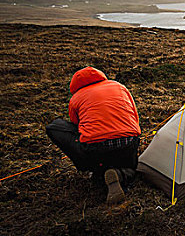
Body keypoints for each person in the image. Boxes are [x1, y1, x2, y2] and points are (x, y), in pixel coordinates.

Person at [46, 66, 141, 205]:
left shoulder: (76, 98)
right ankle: (121, 174)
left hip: (97, 150)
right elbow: (134, 115)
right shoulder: (118, 86)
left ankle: (97, 172)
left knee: (54, 127)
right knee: (131, 168)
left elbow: (77, 126)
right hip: (129, 145)